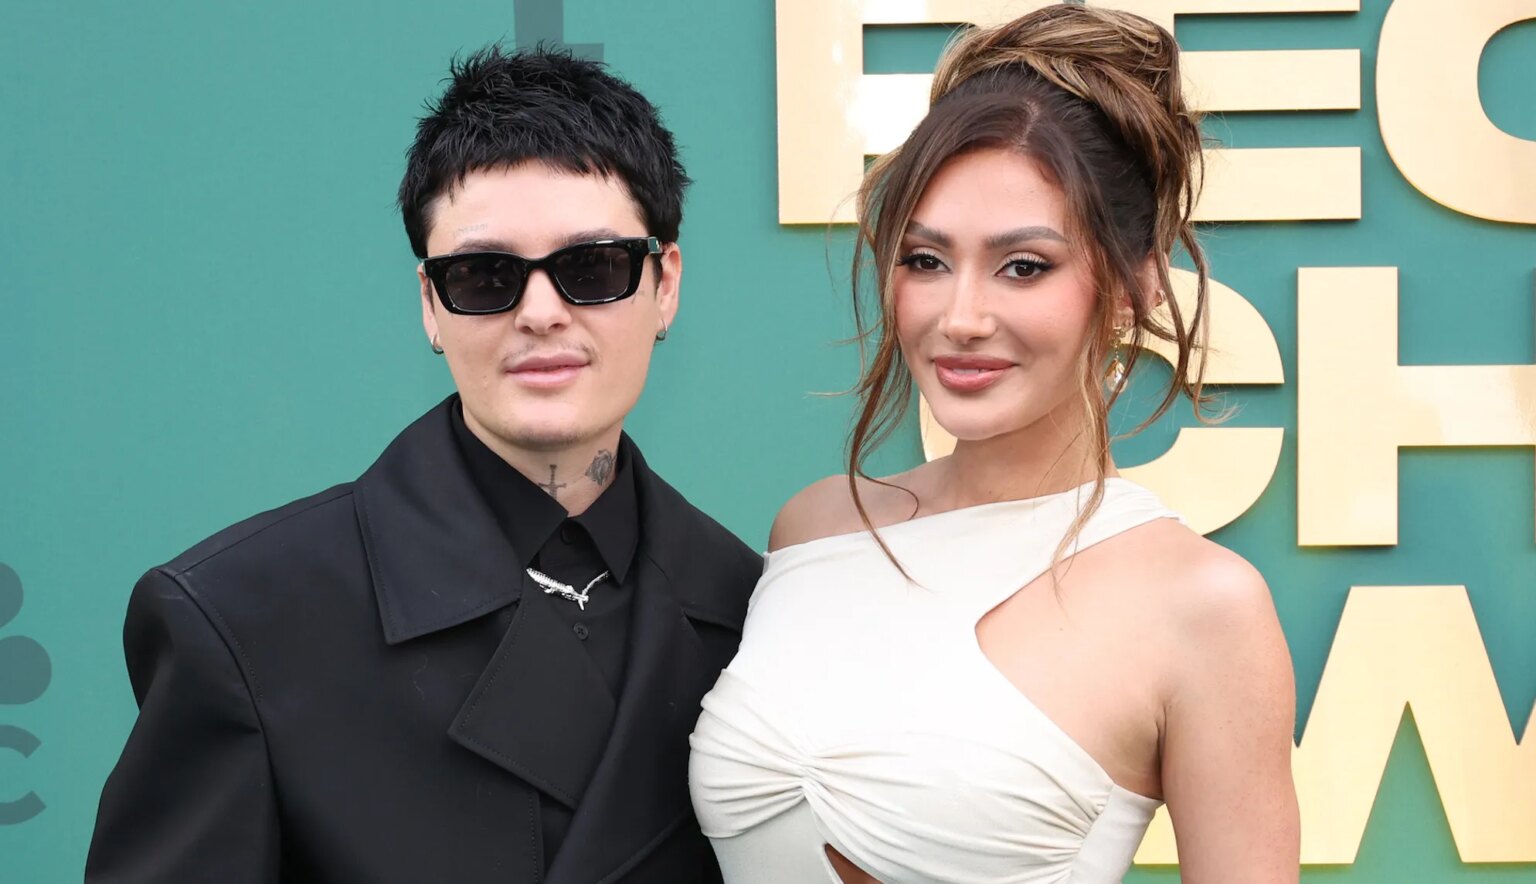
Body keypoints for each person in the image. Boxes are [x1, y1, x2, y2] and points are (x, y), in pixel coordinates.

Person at [87, 47, 760, 884]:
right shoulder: (242, 619)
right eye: (486, 277)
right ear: (430, 307)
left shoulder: (754, 609)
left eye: (593, 268)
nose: (542, 315)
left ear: (664, 286)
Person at [689, 5, 1299, 882]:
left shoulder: (1202, 607)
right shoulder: (813, 529)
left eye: (1024, 266)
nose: (960, 319)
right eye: (926, 260)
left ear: (1133, 287)